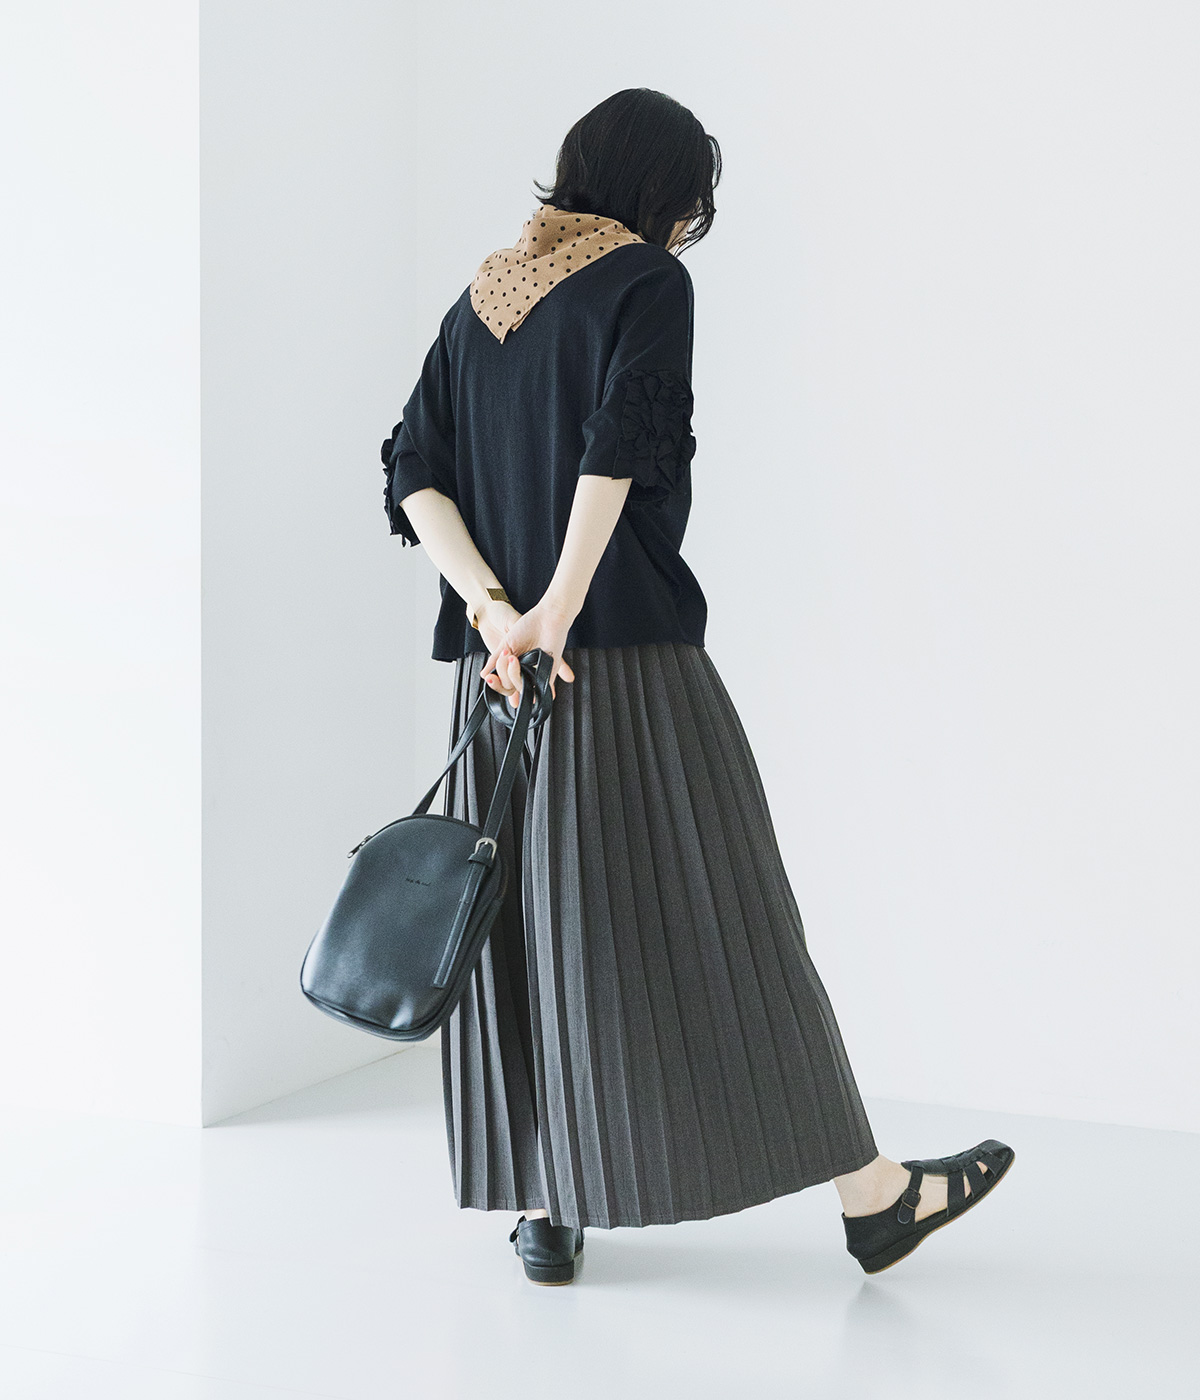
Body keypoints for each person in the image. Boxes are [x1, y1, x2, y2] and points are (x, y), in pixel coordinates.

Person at [380, 88, 1014, 1285]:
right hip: (621, 660)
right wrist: (558, 608)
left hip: (499, 677)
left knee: (529, 924)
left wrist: (497, 613)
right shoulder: (645, 283)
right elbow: (618, 447)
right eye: (687, 205)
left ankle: (545, 1205)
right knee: (731, 919)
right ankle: (875, 1197)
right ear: (660, 191)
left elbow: (415, 469)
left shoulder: (482, 299)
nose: (685, 229)